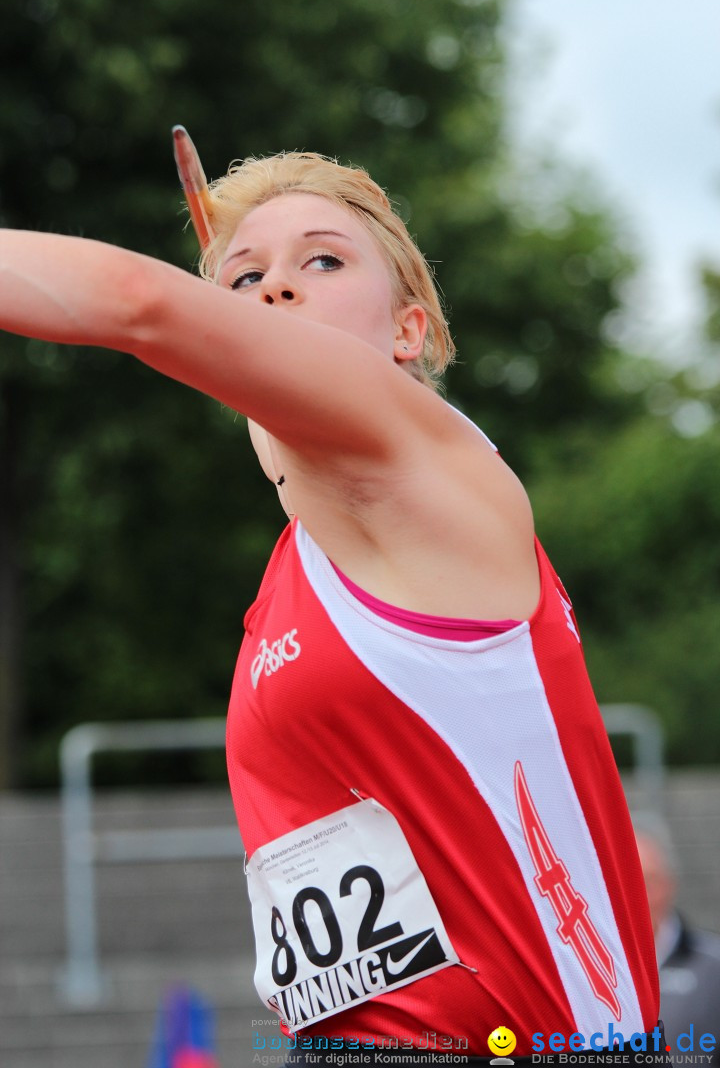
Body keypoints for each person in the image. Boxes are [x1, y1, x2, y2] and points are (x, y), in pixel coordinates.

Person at [1, 151, 665, 1066]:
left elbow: (133, 302)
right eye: (244, 274)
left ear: (407, 329)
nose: (275, 287)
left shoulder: (430, 464)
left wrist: (204, 304)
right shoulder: (293, 575)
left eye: (322, 261)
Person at [636, 819, 720, 1064]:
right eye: (628, 883)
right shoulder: (584, 970)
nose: (639, 897)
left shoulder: (712, 964)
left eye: (648, 881)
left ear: (668, 884)